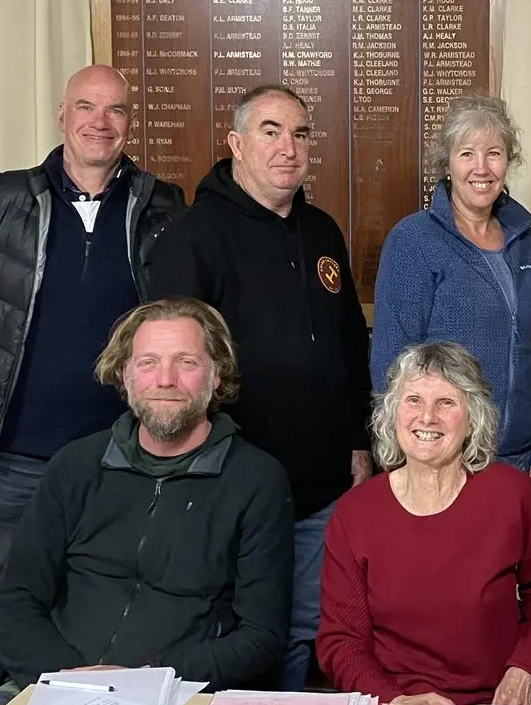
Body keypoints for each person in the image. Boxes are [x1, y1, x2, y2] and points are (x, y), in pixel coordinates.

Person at [0, 64, 185, 705]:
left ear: (130, 122)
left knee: (116, 611)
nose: (101, 122)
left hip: (128, 455)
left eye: (116, 110)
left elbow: (189, 323)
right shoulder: (8, 200)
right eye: (87, 108)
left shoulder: (162, 207)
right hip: (20, 456)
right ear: (62, 116)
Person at [146, 84, 373, 690]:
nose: (287, 148)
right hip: (231, 487)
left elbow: (352, 345)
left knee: (304, 630)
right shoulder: (193, 237)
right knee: (235, 634)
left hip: (321, 488)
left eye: (300, 134)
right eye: (271, 131)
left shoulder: (323, 231)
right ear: (237, 143)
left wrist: (358, 442)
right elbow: (172, 369)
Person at [0, 297, 294, 705]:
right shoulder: (75, 465)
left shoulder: (257, 480)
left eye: (186, 362)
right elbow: (17, 603)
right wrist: (72, 679)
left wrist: (143, 682)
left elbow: (261, 637)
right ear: (125, 374)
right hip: (56, 682)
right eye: (148, 363)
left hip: (179, 692)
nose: (165, 379)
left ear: (216, 375)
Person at [317, 342, 531, 705]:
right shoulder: (355, 512)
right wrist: (392, 700)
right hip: (395, 700)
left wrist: (526, 668)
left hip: (495, 699)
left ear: (473, 418)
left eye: (446, 402)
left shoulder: (513, 495)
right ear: (392, 413)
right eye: (413, 400)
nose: (427, 417)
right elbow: (341, 641)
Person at [371, 96, 531, 479]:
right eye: (467, 153)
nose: (481, 168)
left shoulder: (523, 239)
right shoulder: (413, 240)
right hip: (443, 459)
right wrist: (404, 462)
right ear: (447, 165)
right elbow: (390, 362)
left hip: (516, 457)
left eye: (494, 153)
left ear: (508, 162)